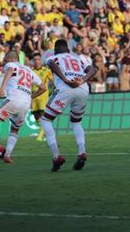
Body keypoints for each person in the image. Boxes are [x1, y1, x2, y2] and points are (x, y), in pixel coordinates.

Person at [41, 39, 96, 172]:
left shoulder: (54, 57)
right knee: (76, 122)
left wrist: (66, 80)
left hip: (65, 88)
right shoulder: (77, 58)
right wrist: (82, 80)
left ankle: (56, 156)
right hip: (83, 89)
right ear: (68, 49)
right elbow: (92, 70)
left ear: (56, 49)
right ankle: (82, 151)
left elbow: (51, 63)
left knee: (46, 120)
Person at [0, 51, 47, 163]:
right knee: (14, 129)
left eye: (5, 60)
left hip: (13, 99)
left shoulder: (11, 65)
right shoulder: (29, 70)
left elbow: (10, 70)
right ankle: (7, 155)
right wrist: (31, 97)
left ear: (12, 59)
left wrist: (2, 87)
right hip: (26, 103)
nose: (4, 63)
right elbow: (43, 88)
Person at [31, 53, 53, 141]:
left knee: (43, 117)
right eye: (35, 59)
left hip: (43, 97)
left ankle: (40, 137)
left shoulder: (47, 71)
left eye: (38, 59)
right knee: (37, 118)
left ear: (41, 60)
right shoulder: (30, 71)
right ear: (33, 61)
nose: (37, 61)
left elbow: (54, 81)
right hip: (34, 98)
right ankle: (46, 134)